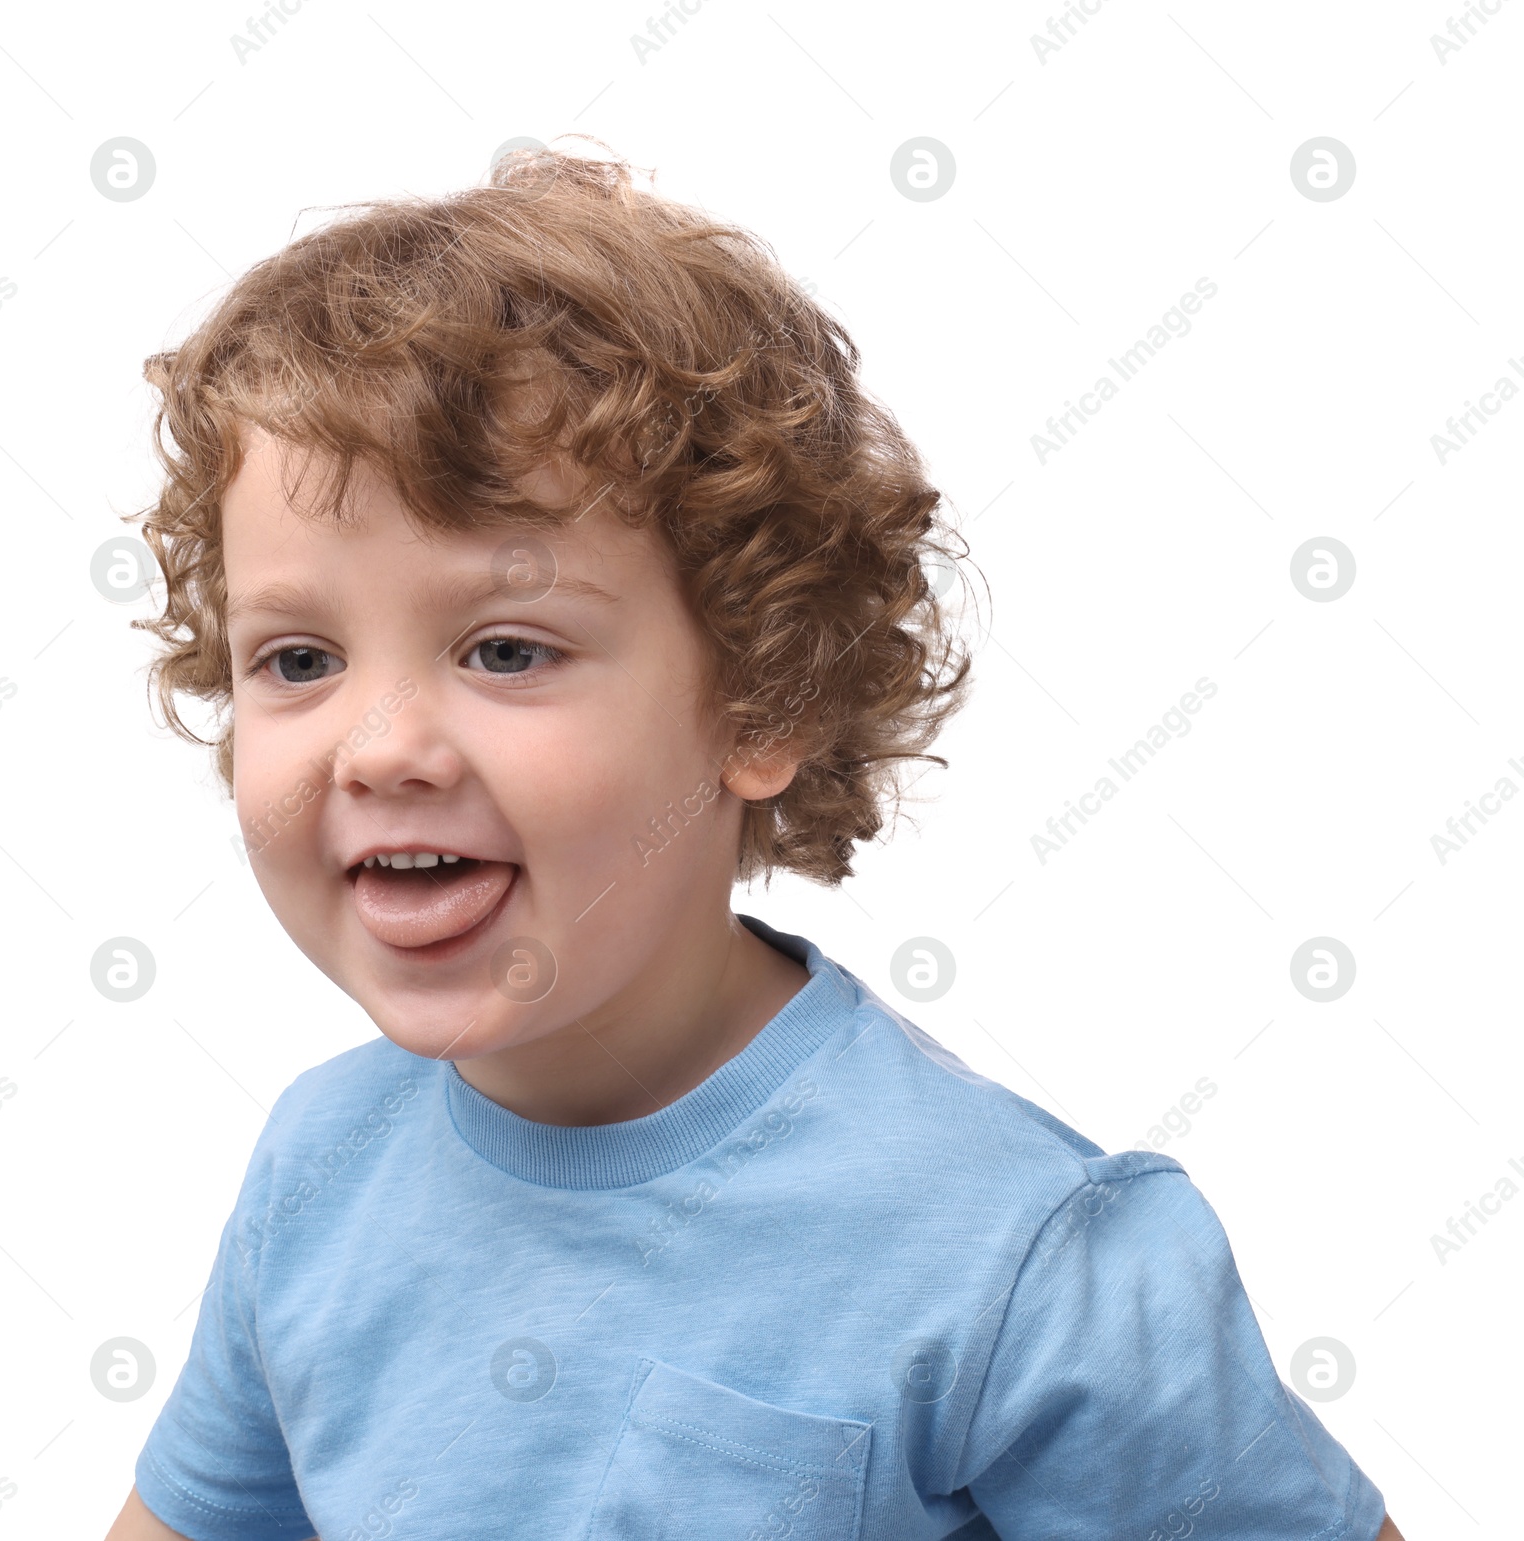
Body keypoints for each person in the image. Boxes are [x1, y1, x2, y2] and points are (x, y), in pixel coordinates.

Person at [105, 142, 1403, 1540]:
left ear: (760, 698)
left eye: (506, 647)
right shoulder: (319, 1172)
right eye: (298, 660)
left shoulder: (1018, 1253)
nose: (379, 746)